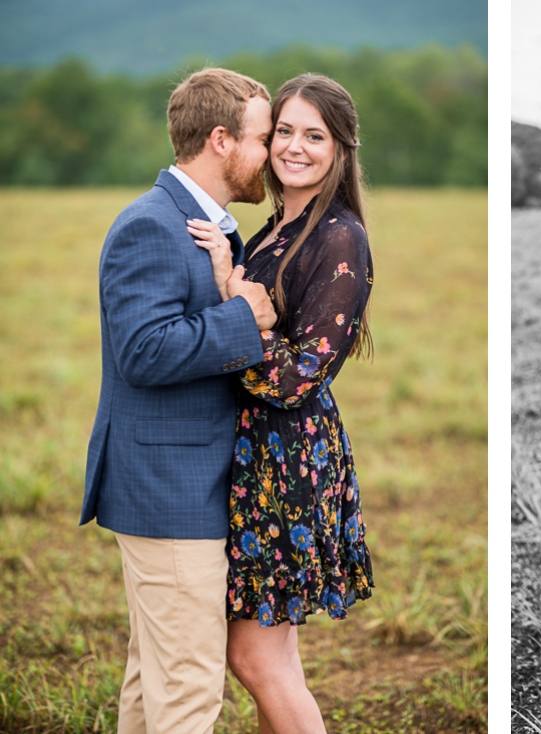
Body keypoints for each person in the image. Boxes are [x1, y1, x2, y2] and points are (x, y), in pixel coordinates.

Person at [80, 68, 277, 733]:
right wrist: (244, 318)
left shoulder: (204, 224)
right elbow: (143, 350)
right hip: (170, 491)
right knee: (190, 686)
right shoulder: (152, 225)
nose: (274, 155)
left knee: (156, 678)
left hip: (187, 486)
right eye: (264, 138)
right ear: (221, 140)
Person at [188, 73, 374, 734]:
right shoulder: (271, 230)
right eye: (283, 133)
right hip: (257, 457)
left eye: (314, 136)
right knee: (276, 660)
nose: (294, 147)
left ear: (341, 149)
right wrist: (234, 296)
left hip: (289, 461)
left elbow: (297, 378)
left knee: (255, 658)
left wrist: (240, 311)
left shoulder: (339, 239)